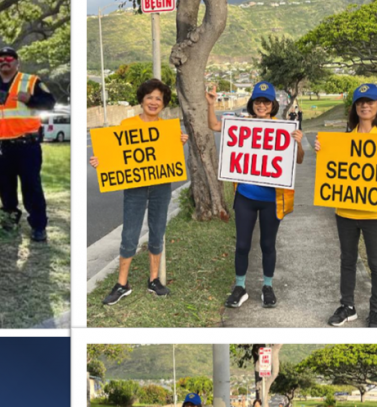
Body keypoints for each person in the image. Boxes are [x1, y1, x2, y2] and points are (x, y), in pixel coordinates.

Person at [90, 78, 189, 303]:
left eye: (158, 99)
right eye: (149, 97)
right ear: (142, 100)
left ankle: (154, 280)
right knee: (130, 234)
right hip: (134, 186)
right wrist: (100, 161)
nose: (153, 102)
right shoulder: (127, 125)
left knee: (157, 231)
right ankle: (122, 283)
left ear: (163, 104)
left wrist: (178, 143)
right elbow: (114, 154)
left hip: (161, 186)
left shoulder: (168, 128)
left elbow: (169, 157)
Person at [208, 81, 304, 309]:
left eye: (266, 101)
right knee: (242, 244)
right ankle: (239, 287)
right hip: (245, 197)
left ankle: (267, 287)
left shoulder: (284, 128)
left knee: (268, 245)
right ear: (252, 104)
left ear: (273, 105)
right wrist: (210, 104)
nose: (262, 105)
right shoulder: (242, 124)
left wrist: (298, 143)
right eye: (258, 101)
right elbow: (213, 125)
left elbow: (298, 159)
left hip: (272, 200)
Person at [0, 46, 56, 243]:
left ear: (17, 62)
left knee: (31, 186)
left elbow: (50, 103)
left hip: (26, 145)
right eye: (0, 58)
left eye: (9, 58)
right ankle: (10, 218)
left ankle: (38, 226)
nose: (5, 61)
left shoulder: (30, 81)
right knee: (5, 187)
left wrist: (31, 100)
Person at [317, 83, 377, 327]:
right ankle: (347, 306)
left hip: (373, 212)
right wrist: (323, 151)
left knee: (375, 263)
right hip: (345, 211)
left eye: (370, 101)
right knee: (348, 259)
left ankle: (375, 310)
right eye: (360, 102)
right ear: (354, 107)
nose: (365, 105)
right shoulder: (344, 139)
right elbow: (333, 171)